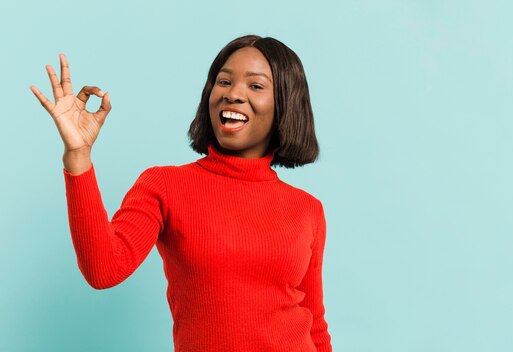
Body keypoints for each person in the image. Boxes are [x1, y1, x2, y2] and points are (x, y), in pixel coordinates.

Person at [30, 34, 332, 352]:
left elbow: (315, 322)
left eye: (255, 86)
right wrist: (78, 156)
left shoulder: (307, 209)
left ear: (285, 103)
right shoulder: (166, 186)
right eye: (224, 82)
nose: (234, 95)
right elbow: (103, 269)